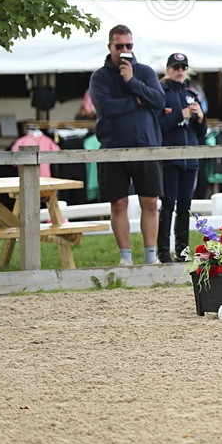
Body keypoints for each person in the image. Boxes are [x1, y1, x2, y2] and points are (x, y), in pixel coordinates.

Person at [89, 24, 166, 266]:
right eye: (119, 46)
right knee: (118, 203)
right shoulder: (99, 76)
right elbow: (104, 108)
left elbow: (158, 100)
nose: (124, 50)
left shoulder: (144, 71)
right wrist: (136, 100)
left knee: (150, 202)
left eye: (129, 46)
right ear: (110, 46)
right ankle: (125, 258)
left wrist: (132, 82)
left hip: (146, 146)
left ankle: (151, 256)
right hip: (113, 148)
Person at [157, 53, 206, 263]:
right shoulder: (161, 93)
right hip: (169, 157)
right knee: (168, 204)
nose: (180, 71)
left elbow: (200, 133)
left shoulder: (191, 94)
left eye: (183, 67)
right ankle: (163, 252)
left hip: (190, 157)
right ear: (168, 69)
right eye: (176, 67)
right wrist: (180, 114)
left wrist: (201, 118)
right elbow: (158, 126)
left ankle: (183, 251)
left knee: (185, 205)